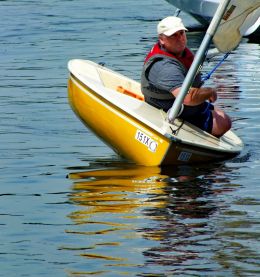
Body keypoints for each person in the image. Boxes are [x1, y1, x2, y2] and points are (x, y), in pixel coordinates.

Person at [141, 16, 232, 137]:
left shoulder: (181, 54)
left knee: (222, 116)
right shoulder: (164, 66)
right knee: (223, 123)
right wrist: (209, 92)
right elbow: (187, 97)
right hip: (171, 110)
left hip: (181, 106)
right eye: (173, 35)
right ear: (161, 39)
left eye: (181, 33)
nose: (179, 38)